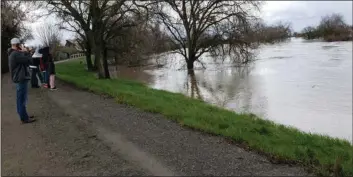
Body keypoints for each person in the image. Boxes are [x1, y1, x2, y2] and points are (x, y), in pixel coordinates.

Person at [8, 38, 36, 124]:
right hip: (21, 78)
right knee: (22, 99)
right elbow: (29, 61)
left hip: (19, 78)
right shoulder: (16, 54)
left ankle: (23, 114)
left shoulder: (13, 53)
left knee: (20, 98)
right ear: (17, 45)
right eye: (20, 44)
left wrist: (24, 52)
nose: (21, 46)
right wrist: (27, 52)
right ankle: (24, 118)